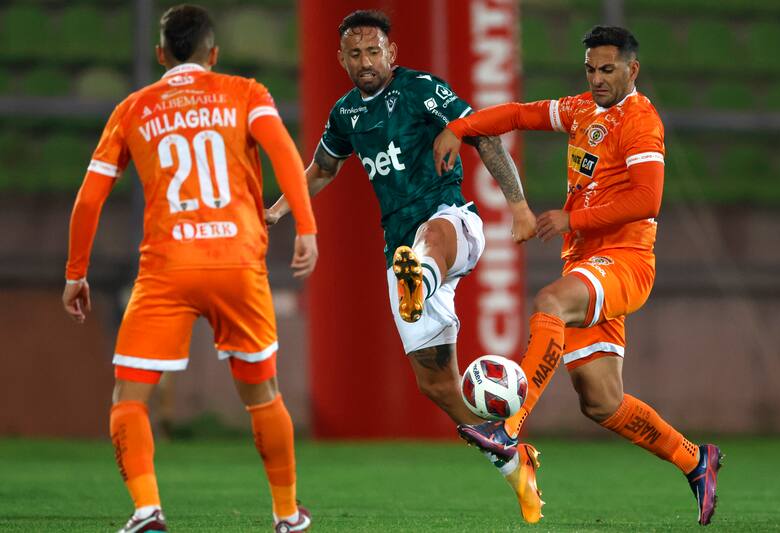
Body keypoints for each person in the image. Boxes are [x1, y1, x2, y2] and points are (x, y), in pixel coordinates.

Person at [434, 25, 722, 526]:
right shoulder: (581, 110)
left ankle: (509, 428)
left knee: (550, 302)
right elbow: (519, 114)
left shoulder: (640, 121)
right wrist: (460, 127)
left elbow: (647, 199)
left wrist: (574, 219)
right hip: (586, 263)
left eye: (607, 69)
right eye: (590, 69)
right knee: (600, 401)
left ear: (632, 69)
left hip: (626, 261)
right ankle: (696, 460)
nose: (597, 79)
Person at [265, 9, 543, 522]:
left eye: (374, 51)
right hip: (400, 248)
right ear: (341, 58)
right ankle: (510, 458)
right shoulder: (346, 114)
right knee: (434, 382)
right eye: (355, 54)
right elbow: (323, 168)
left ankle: (420, 276)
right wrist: (281, 209)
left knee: (427, 239)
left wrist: (519, 207)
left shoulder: (420, 90)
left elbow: (482, 134)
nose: (365, 61)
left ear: (391, 53)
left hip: (452, 223)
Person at [62, 5, 317, 532]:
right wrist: (306, 228)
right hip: (237, 262)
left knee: (129, 396)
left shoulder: (133, 108)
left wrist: (76, 273)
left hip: (167, 268)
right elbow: (285, 154)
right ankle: (287, 515)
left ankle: (147, 510)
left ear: (161, 54)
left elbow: (89, 198)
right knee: (262, 394)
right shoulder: (246, 93)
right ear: (213, 53)